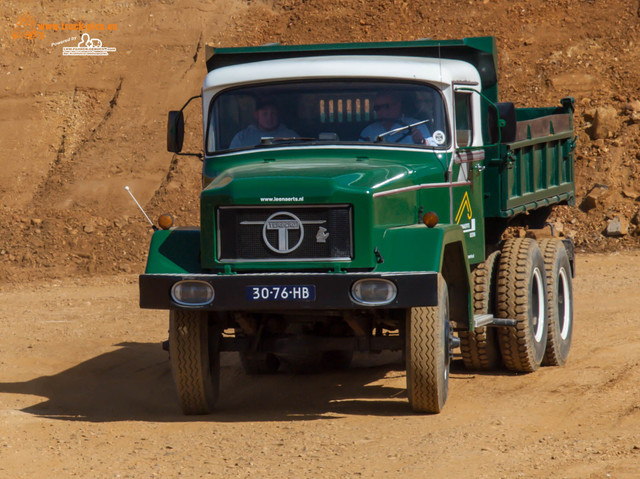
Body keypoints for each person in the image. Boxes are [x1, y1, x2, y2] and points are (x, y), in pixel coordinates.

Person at [360, 92, 437, 145]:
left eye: (386, 106)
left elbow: (434, 148)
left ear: (398, 105)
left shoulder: (416, 126)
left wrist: (421, 141)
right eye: (377, 108)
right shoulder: (369, 130)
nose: (381, 111)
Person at [229, 98, 299, 148]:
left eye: (273, 113)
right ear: (256, 115)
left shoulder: (291, 136)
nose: (269, 118)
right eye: (265, 114)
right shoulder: (242, 137)